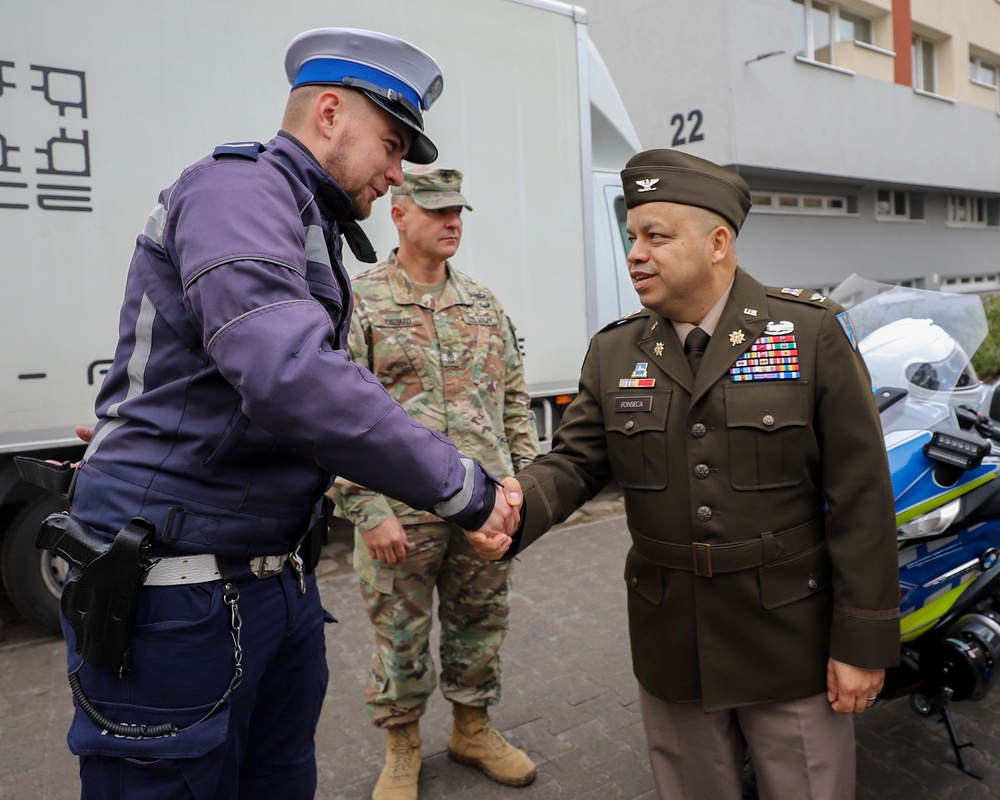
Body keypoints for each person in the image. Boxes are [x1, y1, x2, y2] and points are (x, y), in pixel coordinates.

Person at [53, 28, 518, 800]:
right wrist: (463, 488)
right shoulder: (239, 190)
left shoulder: (304, 219)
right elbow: (289, 372)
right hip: (180, 594)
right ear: (329, 113)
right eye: (392, 144)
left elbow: (241, 383)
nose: (397, 173)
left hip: (268, 583)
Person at [470, 149, 901, 800]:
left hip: (788, 642)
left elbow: (863, 498)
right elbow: (577, 460)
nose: (636, 252)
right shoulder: (615, 351)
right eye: (631, 236)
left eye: (656, 236)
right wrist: (517, 503)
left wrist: (864, 642)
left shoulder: (808, 336)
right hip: (672, 643)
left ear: (718, 242)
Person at [330, 167, 540, 799]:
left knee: (482, 622)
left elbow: (513, 402)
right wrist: (367, 509)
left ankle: (472, 730)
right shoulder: (359, 300)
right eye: (438, 212)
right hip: (401, 511)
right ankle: (402, 746)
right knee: (400, 634)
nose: (452, 223)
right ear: (399, 215)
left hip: (484, 510)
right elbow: (333, 414)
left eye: (458, 213)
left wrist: (521, 486)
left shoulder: (483, 302)